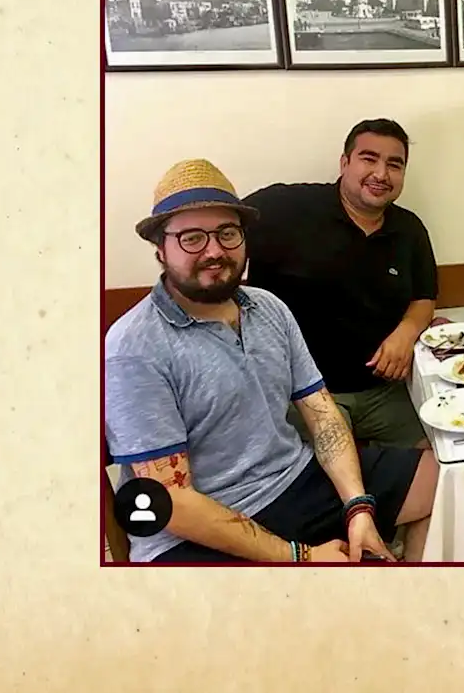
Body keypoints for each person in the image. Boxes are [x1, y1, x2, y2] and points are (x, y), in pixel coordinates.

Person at [105, 159, 437, 563]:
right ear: (161, 249)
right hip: (195, 530)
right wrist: (300, 556)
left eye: (227, 233)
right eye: (192, 238)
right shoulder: (133, 346)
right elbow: (172, 500)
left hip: (294, 479)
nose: (215, 251)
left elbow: (321, 413)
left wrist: (358, 506)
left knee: (444, 480)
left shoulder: (268, 308)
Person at [243, 119, 436, 450]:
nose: (381, 174)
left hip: (385, 393)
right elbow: (221, 230)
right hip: (307, 393)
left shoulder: (409, 229)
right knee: (341, 470)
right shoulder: (286, 209)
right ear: (344, 163)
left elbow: (424, 296)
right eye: (369, 159)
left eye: (394, 164)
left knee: (444, 452)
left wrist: (406, 333)